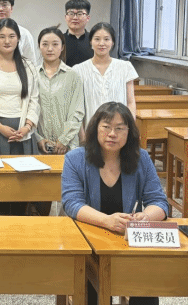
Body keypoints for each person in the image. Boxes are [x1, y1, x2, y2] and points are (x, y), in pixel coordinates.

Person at [61, 101, 167, 305]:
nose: (112, 134)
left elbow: (159, 201)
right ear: (95, 129)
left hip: (126, 241)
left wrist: (146, 217)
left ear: (129, 133)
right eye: (106, 127)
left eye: (119, 128)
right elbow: (72, 203)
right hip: (87, 240)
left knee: (145, 290)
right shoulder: (75, 159)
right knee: (91, 294)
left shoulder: (141, 159)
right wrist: (107, 221)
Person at [0, 18, 40, 156]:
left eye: (12, 36)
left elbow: (34, 99)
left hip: (23, 130)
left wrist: (27, 127)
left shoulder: (28, 67)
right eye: (2, 37)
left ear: (18, 39)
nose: (7, 41)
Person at [72, 22, 138, 128]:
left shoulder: (125, 67)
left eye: (106, 39)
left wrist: (129, 127)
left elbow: (130, 102)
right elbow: (76, 107)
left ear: (112, 42)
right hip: (91, 129)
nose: (101, 43)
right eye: (97, 39)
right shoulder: (78, 70)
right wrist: (82, 134)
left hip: (119, 128)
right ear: (91, 42)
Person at [35, 26, 84, 155]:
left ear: (62, 47)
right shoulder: (32, 75)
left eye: (55, 44)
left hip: (68, 146)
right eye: (45, 44)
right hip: (39, 146)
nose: (50, 49)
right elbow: (27, 110)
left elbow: (77, 111)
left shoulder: (73, 75)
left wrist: (64, 140)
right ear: (39, 46)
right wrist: (38, 139)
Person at [63, 0, 93, 67]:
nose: (75, 18)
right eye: (71, 13)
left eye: (80, 14)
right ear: (65, 17)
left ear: (88, 18)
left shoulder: (94, 40)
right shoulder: (59, 40)